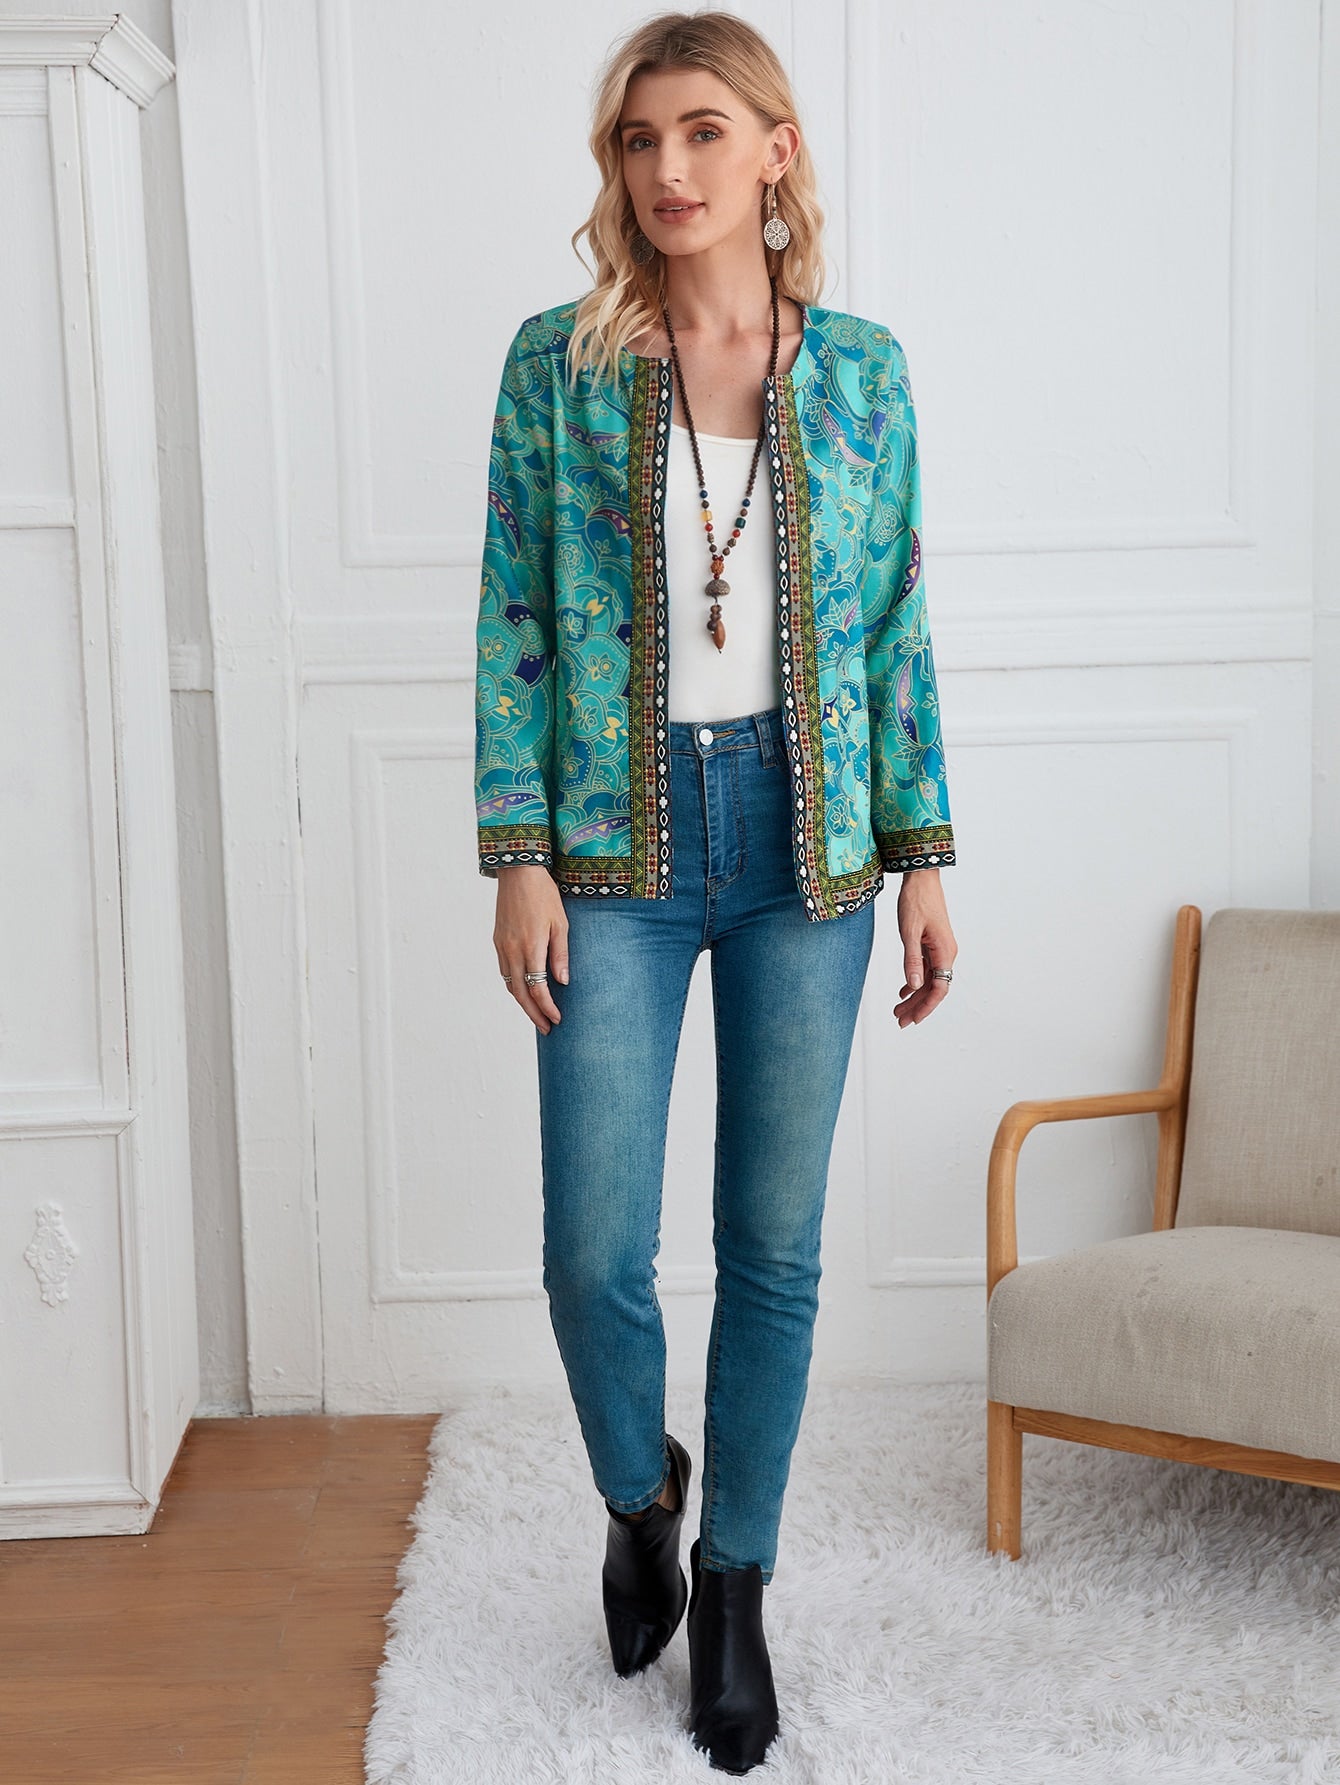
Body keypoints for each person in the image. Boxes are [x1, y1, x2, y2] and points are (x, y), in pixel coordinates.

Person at [473, 11, 958, 1773]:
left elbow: (895, 626)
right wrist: (518, 851)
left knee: (773, 1243)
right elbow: (513, 616)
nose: (666, 170)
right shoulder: (557, 364)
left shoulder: (865, 374)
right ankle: (641, 1493)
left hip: (810, 848)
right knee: (592, 1247)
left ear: (774, 151)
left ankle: (736, 1577)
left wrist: (925, 856)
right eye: (637, 140)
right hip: (616, 840)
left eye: (700, 132)